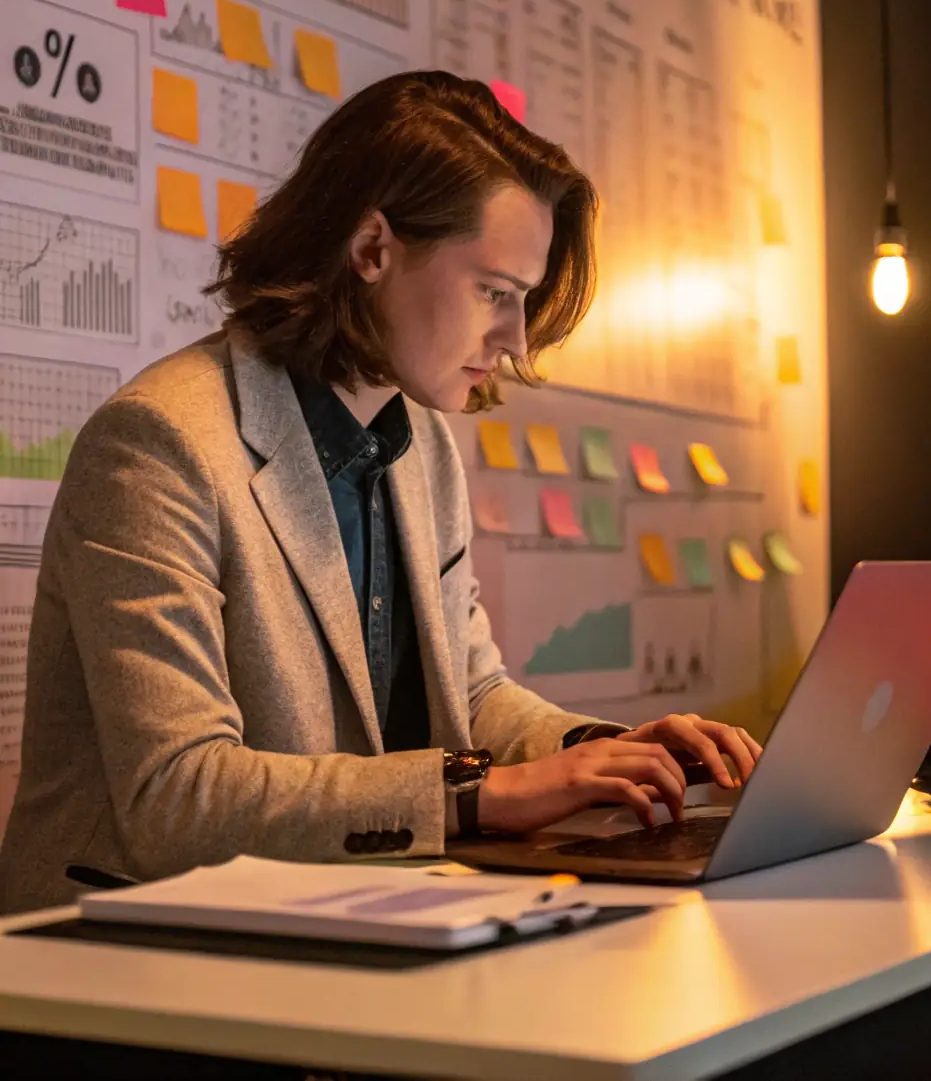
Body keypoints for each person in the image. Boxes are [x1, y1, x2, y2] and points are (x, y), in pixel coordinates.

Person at [0, 71, 761, 913]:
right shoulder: (158, 441)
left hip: (328, 925)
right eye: (495, 294)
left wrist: (601, 751)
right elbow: (177, 796)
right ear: (371, 251)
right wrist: (479, 796)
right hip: (116, 973)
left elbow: (469, 693)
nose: (513, 340)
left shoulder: (421, 443)